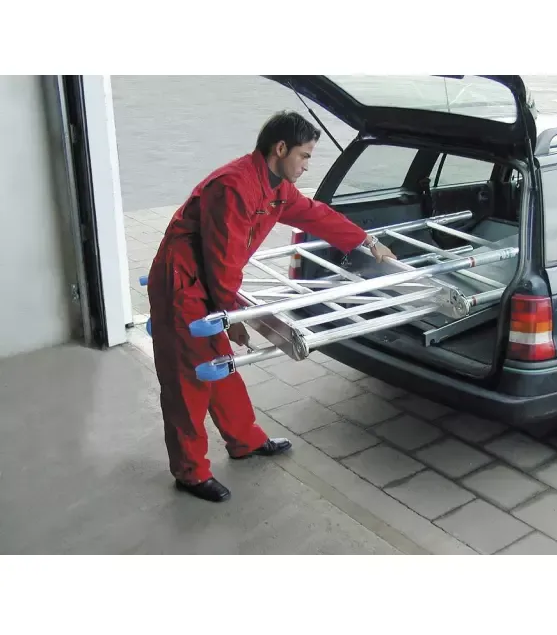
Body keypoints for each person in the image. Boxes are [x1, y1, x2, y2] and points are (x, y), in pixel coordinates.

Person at [147, 110, 396, 503]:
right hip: (182, 285)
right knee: (188, 381)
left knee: (222, 369)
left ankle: (244, 441)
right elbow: (222, 259)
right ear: (280, 149)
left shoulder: (276, 188)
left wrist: (366, 241)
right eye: (304, 155)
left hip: (208, 281)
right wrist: (233, 316)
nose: (307, 165)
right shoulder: (233, 186)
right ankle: (190, 472)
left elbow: (315, 215)